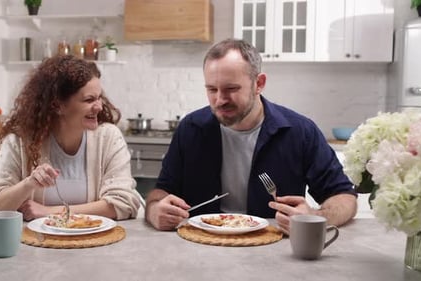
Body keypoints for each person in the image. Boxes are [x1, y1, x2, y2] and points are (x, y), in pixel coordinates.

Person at [145, 38, 357, 232]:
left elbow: (344, 197)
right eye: (212, 89)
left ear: (259, 83)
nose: (220, 100)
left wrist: (313, 217)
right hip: (202, 246)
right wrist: (155, 210)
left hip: (274, 250)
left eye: (231, 88)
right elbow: (161, 192)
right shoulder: (190, 129)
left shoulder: (300, 131)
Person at [0, 55, 140, 221]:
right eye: (89, 99)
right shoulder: (20, 141)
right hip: (36, 243)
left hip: (95, 242)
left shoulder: (108, 138)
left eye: (99, 97)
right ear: (57, 105)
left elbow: (123, 203)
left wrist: (50, 211)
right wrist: (28, 184)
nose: (99, 106)